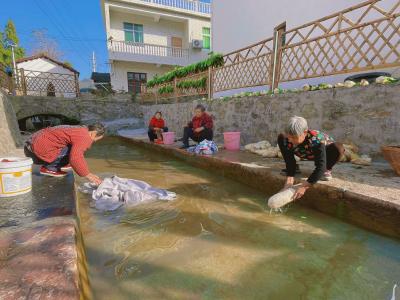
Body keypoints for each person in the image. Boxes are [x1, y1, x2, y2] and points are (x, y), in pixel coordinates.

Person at [277, 116, 344, 200]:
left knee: (338, 148)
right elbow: (288, 159)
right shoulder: (286, 138)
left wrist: (304, 186)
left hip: (324, 154)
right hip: (303, 152)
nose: (290, 140)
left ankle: (327, 168)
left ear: (305, 132)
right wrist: (289, 181)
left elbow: (320, 167)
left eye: (294, 137)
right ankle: (295, 169)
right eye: (289, 136)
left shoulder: (316, 139)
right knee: (282, 137)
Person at [24, 123, 105, 185]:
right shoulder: (85, 137)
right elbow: (76, 157)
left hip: (31, 146)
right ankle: (50, 168)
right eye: (95, 140)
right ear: (93, 134)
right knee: (74, 152)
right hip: (36, 152)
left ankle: (60, 163)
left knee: (73, 147)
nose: (93, 142)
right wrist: (87, 174)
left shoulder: (80, 129)